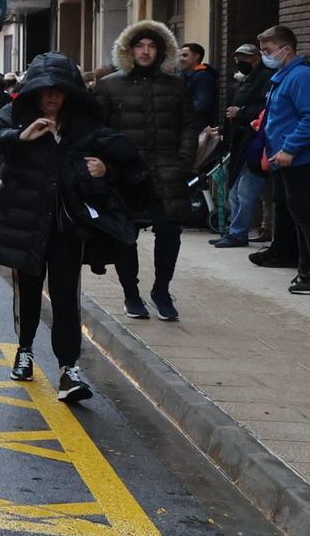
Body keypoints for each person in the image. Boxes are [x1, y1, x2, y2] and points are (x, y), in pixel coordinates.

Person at [0, 52, 152, 403]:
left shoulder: (84, 124)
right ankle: (24, 350)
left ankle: (69, 368)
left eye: (58, 90)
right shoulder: (17, 114)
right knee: (27, 292)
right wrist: (19, 136)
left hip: (67, 227)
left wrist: (106, 171)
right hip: (25, 221)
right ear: (34, 91)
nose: (51, 96)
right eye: (44, 89)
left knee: (67, 296)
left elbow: (128, 160)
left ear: (70, 93)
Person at [96, 20, 198, 320]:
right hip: (124, 175)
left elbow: (189, 126)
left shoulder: (176, 85)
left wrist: (183, 161)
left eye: (152, 46)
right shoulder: (110, 85)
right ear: (128, 50)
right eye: (139, 46)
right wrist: (108, 165)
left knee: (169, 231)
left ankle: (161, 291)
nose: (145, 51)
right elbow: (98, 130)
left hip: (167, 172)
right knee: (125, 236)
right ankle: (131, 294)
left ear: (162, 50)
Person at [256, 26, 310, 295]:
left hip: (300, 161)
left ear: (286, 49)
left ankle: (308, 274)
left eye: (268, 51)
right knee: (297, 215)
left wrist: (289, 148)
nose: (265, 56)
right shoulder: (282, 77)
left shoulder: (300, 77)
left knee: (305, 216)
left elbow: (308, 117)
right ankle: (303, 270)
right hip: (285, 161)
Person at [213, 42, 272, 249]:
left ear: (256, 58)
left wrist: (242, 112)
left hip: (254, 143)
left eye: (245, 58)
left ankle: (238, 234)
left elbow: (266, 108)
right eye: (237, 58)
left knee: (246, 192)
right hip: (240, 142)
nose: (240, 62)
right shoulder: (245, 80)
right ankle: (233, 232)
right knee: (235, 191)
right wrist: (223, 130)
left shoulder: (265, 78)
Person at [181, 42, 218, 127]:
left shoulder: (203, 76)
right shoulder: (184, 76)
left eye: (185, 55)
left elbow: (202, 105)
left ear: (196, 56)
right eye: (181, 56)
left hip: (198, 127)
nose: (181, 59)